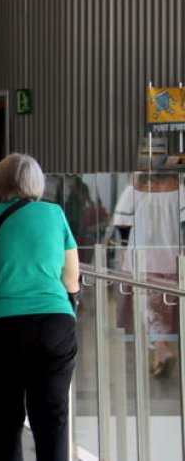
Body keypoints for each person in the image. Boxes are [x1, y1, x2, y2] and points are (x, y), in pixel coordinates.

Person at [0, 153, 79, 461]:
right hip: (55, 324)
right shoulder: (55, 214)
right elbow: (72, 278)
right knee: (52, 419)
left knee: (2, 420)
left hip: (0, 327)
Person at [113, 140, 185, 377]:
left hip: (144, 258)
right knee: (169, 309)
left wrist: (124, 249)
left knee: (151, 310)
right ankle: (159, 355)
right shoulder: (179, 188)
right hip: (174, 257)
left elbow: (122, 224)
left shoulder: (135, 189)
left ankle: (162, 350)